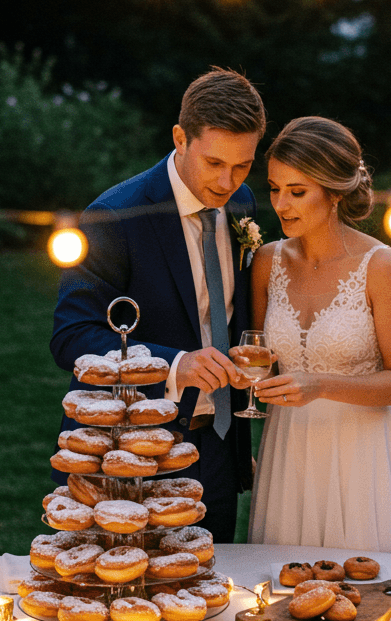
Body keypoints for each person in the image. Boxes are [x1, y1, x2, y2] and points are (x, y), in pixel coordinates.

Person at [50, 68, 266, 543]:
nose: (228, 181)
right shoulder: (116, 216)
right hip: (132, 451)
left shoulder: (242, 203)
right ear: (179, 138)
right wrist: (175, 364)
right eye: (214, 163)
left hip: (220, 447)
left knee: (213, 597)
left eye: (243, 166)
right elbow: (72, 336)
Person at [245, 116, 391, 554]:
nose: (281, 205)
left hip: (361, 458)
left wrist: (321, 384)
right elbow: (258, 359)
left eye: (297, 191)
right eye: (274, 189)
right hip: (287, 453)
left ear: (333, 193)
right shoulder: (267, 262)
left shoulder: (381, 266)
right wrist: (244, 370)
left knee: (367, 595)